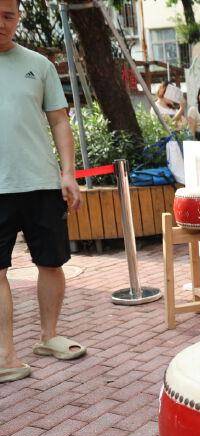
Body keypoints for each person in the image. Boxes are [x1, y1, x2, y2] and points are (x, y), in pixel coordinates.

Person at [0, 0, 86, 383]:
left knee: (51, 262)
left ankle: (48, 336)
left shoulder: (41, 65)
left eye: (8, 15)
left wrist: (68, 173)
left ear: (18, 17)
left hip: (41, 183)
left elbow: (59, 122)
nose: (1, 23)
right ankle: (6, 353)